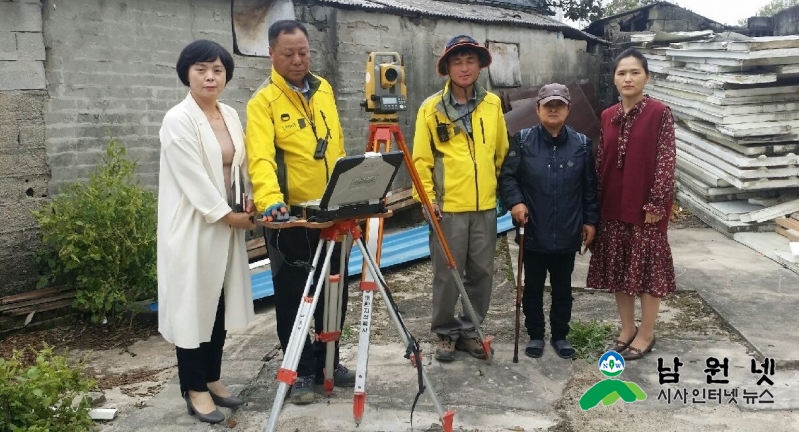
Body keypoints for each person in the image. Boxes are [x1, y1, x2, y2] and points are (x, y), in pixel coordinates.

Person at [244, 20, 355, 405]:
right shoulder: (263, 103)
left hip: (331, 213)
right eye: (288, 54)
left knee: (333, 293)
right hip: (290, 219)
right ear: (271, 54)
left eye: (303, 52)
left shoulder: (324, 89)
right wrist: (271, 200)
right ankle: (302, 370)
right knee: (294, 297)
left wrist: (348, 196)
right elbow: (259, 159)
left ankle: (329, 363)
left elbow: (336, 145)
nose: (297, 60)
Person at [157, 40, 256, 424]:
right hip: (194, 226)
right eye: (201, 69)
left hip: (227, 223)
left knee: (216, 304)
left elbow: (239, 168)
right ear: (186, 73)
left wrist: (247, 201)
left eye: (217, 69)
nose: (210, 76)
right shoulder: (177, 119)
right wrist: (226, 215)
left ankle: (212, 377)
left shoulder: (229, 114)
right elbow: (193, 178)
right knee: (191, 308)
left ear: (227, 74)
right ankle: (194, 388)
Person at [412, 35, 510, 362]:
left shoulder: (492, 105)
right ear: (447, 68)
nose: (464, 68)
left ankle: (471, 331)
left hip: (484, 207)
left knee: (482, 272)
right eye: (457, 61)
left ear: (479, 65)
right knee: (446, 275)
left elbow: (501, 154)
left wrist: (498, 192)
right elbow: (421, 162)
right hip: (448, 209)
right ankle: (445, 333)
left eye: (470, 60)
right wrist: (427, 200)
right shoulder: (431, 109)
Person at [586, 47, 677, 361]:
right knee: (620, 272)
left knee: (648, 274)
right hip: (612, 206)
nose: (628, 78)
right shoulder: (607, 115)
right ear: (614, 79)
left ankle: (647, 332)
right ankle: (626, 329)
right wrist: (594, 207)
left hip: (646, 210)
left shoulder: (659, 113)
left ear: (647, 77)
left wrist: (656, 202)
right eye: (622, 73)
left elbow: (666, 160)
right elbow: (601, 162)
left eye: (635, 72)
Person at [498, 83, 600, 360]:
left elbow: (590, 187)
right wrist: (516, 202)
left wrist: (590, 221)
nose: (553, 110)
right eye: (548, 105)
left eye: (559, 105)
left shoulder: (581, 144)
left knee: (562, 288)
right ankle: (535, 334)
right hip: (533, 229)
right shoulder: (522, 140)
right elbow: (507, 177)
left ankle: (560, 335)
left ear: (568, 109)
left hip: (568, 230)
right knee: (532, 286)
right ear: (538, 109)